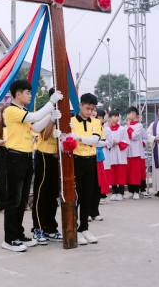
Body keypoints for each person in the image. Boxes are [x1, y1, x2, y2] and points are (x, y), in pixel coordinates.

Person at [2, 79, 62, 252]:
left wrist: (50, 118)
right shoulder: (11, 110)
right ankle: (9, 238)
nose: (30, 95)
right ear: (18, 94)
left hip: (27, 157)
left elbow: (35, 127)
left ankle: (19, 234)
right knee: (14, 200)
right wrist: (52, 103)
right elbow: (35, 117)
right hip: (15, 157)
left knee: (21, 201)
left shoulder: (23, 111)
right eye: (28, 93)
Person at [66, 93, 105, 245]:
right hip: (76, 161)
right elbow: (67, 139)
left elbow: (95, 140)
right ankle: (75, 228)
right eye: (87, 108)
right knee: (77, 196)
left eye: (92, 109)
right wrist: (75, 137)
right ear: (80, 105)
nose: (90, 112)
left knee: (88, 195)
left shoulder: (95, 122)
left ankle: (84, 228)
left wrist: (79, 137)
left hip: (90, 160)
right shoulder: (70, 121)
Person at [31, 88, 63, 245]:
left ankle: (51, 227)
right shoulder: (45, 112)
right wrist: (51, 119)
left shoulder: (64, 114)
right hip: (43, 155)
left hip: (57, 158)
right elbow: (43, 135)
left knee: (53, 195)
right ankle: (38, 228)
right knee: (41, 194)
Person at [90, 108, 109, 221]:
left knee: (97, 185)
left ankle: (95, 211)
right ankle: (86, 212)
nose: (93, 112)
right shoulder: (81, 124)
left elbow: (103, 141)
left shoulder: (98, 125)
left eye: (94, 110)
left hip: (97, 157)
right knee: (87, 186)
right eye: (90, 109)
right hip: (85, 156)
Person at [105, 109, 128, 201]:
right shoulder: (107, 129)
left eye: (117, 116)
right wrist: (110, 143)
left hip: (120, 152)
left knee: (120, 173)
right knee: (113, 173)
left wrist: (118, 142)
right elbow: (105, 141)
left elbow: (126, 141)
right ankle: (114, 192)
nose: (117, 118)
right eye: (114, 116)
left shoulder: (123, 129)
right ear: (110, 118)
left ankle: (121, 193)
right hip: (111, 153)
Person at [124, 106, 144, 199]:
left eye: (129, 113)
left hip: (136, 152)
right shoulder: (125, 126)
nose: (128, 115)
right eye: (127, 114)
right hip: (127, 151)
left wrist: (128, 126)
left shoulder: (139, 126)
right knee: (129, 172)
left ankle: (137, 191)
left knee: (135, 172)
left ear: (134, 114)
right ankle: (130, 190)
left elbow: (134, 136)